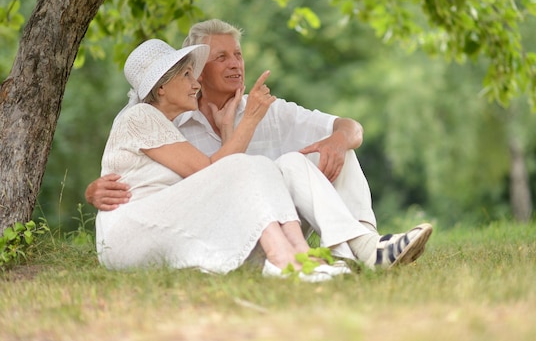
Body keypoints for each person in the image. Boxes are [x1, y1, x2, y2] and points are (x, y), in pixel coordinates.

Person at [86, 20, 433, 269]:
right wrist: (93, 192)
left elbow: (349, 127)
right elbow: (209, 176)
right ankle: (314, 257)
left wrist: (340, 140)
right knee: (266, 165)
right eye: (220, 58)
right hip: (216, 228)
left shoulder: (270, 108)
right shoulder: (167, 122)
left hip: (275, 222)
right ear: (197, 73)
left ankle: (367, 245)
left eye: (237, 54)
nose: (235, 63)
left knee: (316, 155)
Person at [95, 38, 351, 282]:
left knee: (260, 164)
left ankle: (299, 254)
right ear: (160, 87)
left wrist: (227, 129)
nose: (196, 85)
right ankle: (281, 258)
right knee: (248, 165)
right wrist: (250, 120)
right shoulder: (141, 116)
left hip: (156, 223)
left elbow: (221, 175)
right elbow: (210, 171)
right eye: (186, 75)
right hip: (128, 233)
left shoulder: (165, 126)